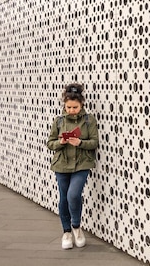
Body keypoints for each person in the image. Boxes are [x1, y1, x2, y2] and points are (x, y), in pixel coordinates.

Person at [46, 83, 99, 249]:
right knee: (63, 197)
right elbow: (50, 143)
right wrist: (61, 142)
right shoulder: (59, 121)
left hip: (82, 164)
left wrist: (80, 142)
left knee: (73, 195)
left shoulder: (89, 120)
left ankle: (76, 227)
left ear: (81, 104)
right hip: (61, 165)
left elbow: (94, 143)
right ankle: (66, 232)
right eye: (68, 107)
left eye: (75, 107)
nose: (71, 110)